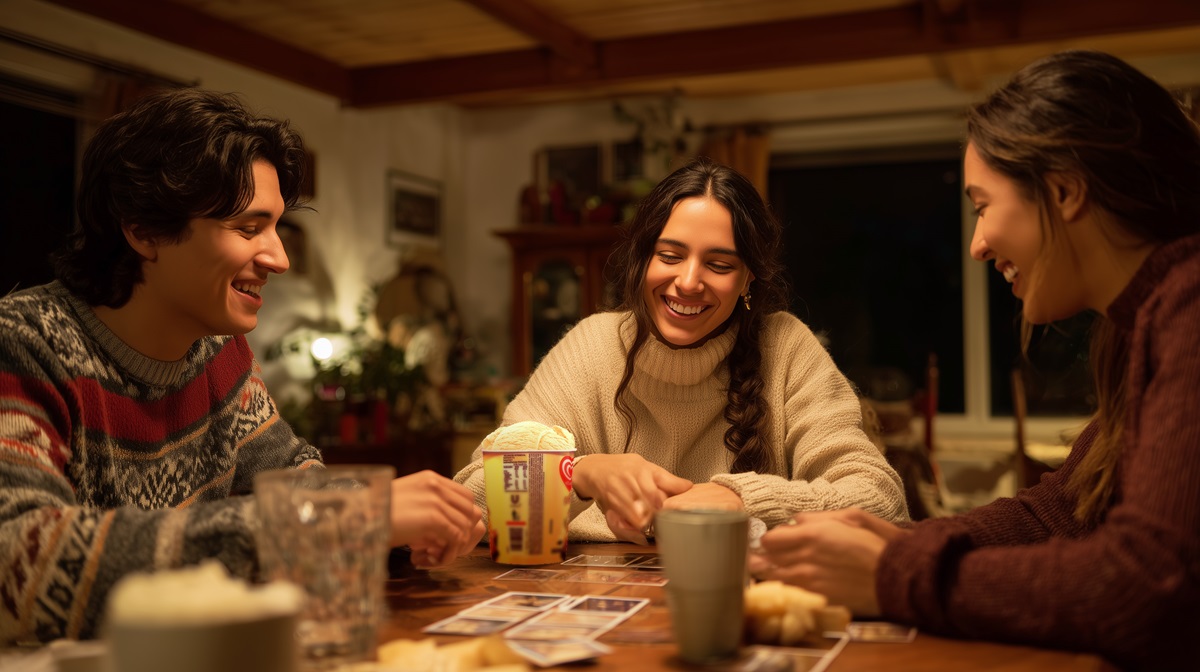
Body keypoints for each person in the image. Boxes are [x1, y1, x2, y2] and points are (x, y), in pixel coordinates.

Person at [749, 50, 1200, 670]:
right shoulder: (1146, 319)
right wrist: (902, 543)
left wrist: (893, 573)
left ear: (1066, 191)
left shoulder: (1190, 304)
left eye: (983, 206)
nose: (977, 243)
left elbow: (1144, 587)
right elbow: (1063, 510)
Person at [0, 88, 482, 644]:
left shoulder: (218, 350)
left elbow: (291, 478)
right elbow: (20, 558)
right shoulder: (23, 344)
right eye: (249, 229)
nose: (279, 258)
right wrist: (352, 518)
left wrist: (400, 524)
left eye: (276, 227)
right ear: (144, 231)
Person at [454, 157, 907, 542]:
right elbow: (473, 499)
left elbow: (882, 501)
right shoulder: (590, 348)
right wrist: (583, 473)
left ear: (748, 277)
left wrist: (739, 499)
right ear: (642, 259)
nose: (688, 282)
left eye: (719, 264)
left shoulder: (786, 349)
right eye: (669, 255)